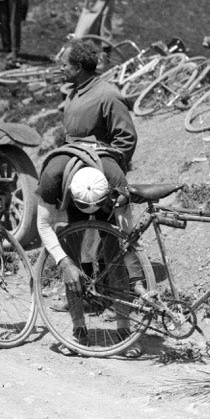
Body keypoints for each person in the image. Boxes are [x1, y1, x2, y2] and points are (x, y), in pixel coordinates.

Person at [35, 38, 143, 356]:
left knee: (116, 249)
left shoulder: (108, 95)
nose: (61, 69)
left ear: (79, 68)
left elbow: (127, 137)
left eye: (66, 65)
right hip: (72, 177)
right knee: (71, 248)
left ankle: (124, 326)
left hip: (103, 180)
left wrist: (106, 155)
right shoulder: (75, 94)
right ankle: (79, 326)